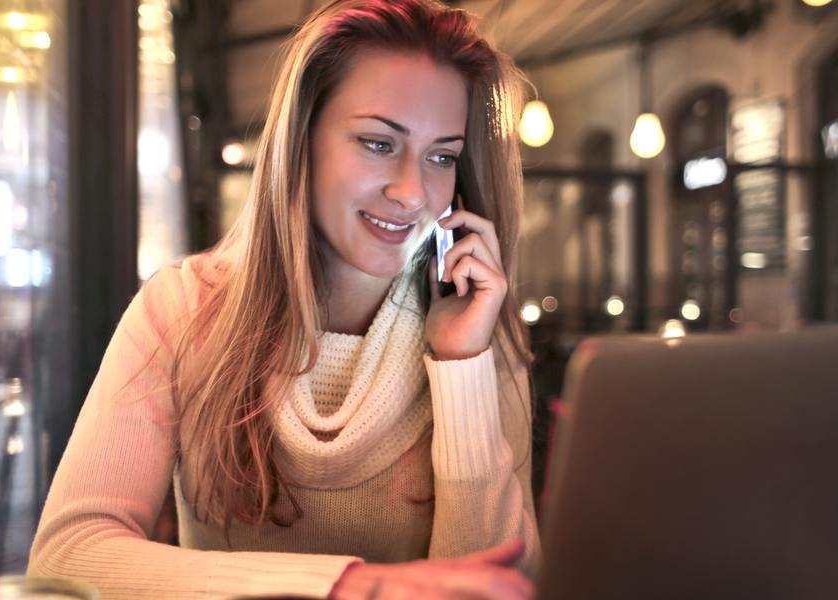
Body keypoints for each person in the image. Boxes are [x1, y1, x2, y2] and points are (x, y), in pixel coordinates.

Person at [28, 0, 540, 597]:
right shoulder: (183, 308)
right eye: (378, 143)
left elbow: (493, 585)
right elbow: (66, 557)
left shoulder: (479, 328)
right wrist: (349, 587)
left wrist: (461, 366)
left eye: (441, 156)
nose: (411, 192)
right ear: (302, 139)